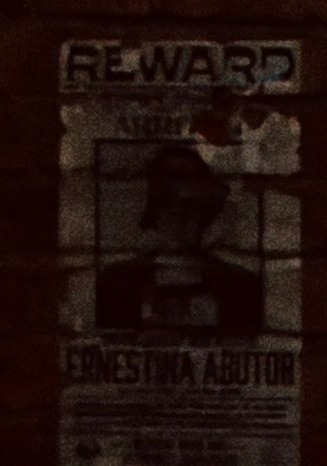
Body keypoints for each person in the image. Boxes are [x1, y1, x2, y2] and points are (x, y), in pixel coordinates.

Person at [90, 136, 264, 339]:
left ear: (207, 208)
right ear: (152, 206)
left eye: (190, 201)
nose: (178, 211)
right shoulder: (115, 285)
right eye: (167, 198)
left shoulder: (242, 287)